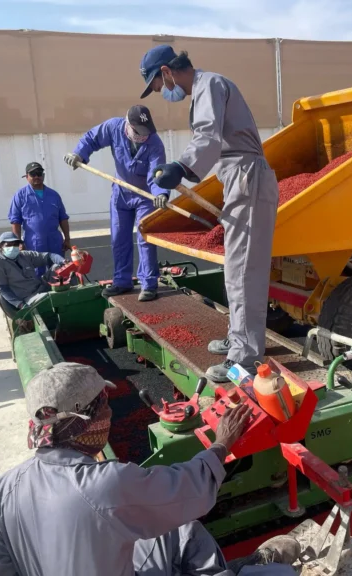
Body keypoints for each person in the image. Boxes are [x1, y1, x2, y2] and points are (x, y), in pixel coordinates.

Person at [0, 362, 300, 575]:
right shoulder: (103, 486)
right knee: (193, 530)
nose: (110, 414)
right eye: (104, 406)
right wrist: (222, 443)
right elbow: (188, 490)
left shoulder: (4, 489)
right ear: (85, 420)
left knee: (169, 529)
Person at [139, 45, 279, 383]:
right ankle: (238, 338)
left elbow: (207, 135)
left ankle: (245, 359)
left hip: (247, 177)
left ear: (167, 72)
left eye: (158, 86)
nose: (162, 93)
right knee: (235, 267)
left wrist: (181, 166)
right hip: (237, 177)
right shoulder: (205, 88)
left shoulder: (210, 85)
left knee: (244, 271)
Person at [63, 106, 167, 302]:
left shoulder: (155, 143)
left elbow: (157, 174)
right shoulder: (113, 127)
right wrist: (79, 154)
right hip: (121, 193)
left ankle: (149, 284)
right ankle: (122, 281)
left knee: (146, 239)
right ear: (128, 125)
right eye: (139, 132)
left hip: (145, 195)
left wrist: (160, 194)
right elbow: (91, 139)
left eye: (146, 132)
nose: (143, 136)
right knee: (119, 238)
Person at [9, 161, 71, 275]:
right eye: (33, 174)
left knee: (59, 271)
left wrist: (67, 239)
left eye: (39, 173)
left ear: (43, 175)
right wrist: (18, 242)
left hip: (55, 241)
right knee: (37, 272)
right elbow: (15, 221)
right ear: (26, 176)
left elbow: (63, 218)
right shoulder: (20, 195)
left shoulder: (54, 195)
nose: (36, 176)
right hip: (33, 242)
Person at [0, 232, 66, 320]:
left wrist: (63, 261)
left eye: (15, 244)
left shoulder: (24, 255)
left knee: (59, 267)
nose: (12, 247)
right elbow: (2, 289)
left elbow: (49, 256)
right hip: (28, 297)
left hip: (40, 286)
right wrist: (20, 305)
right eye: (8, 245)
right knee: (52, 298)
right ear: (1, 247)